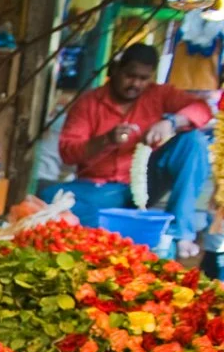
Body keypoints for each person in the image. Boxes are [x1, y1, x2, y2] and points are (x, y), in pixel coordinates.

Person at [45, 43, 214, 258]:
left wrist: (171, 122)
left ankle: (180, 232)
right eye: (130, 76)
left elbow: (202, 109)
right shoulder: (88, 103)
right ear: (116, 70)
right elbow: (68, 153)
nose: (135, 84)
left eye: (143, 78)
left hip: (145, 183)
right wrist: (106, 140)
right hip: (100, 189)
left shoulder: (158, 94)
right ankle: (113, 232)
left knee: (193, 141)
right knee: (49, 197)